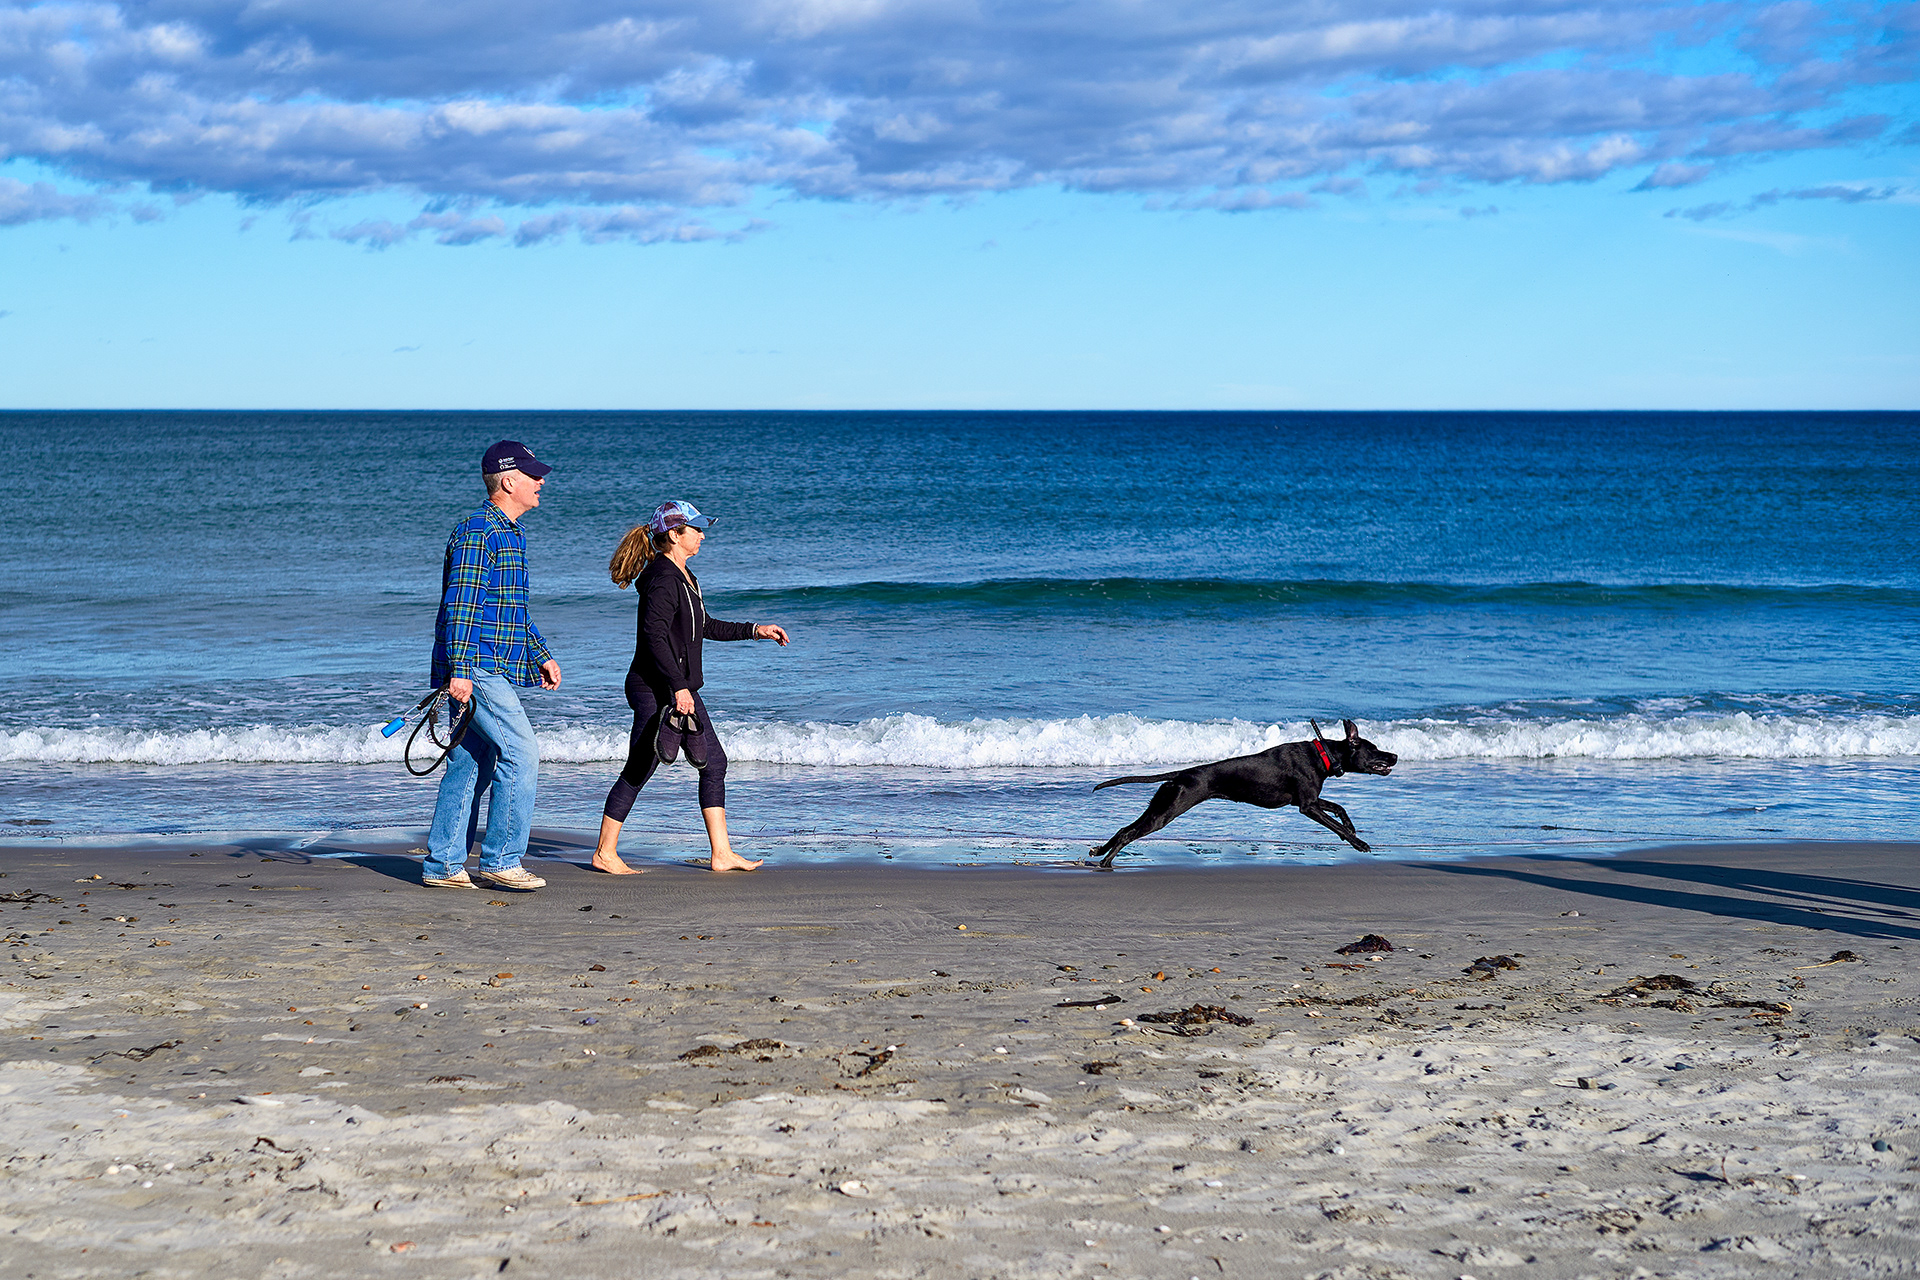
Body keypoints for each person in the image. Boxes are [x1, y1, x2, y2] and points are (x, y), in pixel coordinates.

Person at [592, 500, 788, 874]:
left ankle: (722, 854)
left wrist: (754, 631)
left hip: (675, 685)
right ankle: (604, 853)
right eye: (695, 529)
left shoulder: (683, 576)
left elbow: (704, 626)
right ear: (674, 534)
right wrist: (680, 688)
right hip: (655, 688)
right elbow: (654, 638)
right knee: (640, 766)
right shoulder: (664, 579)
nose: (701, 535)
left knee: (714, 764)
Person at [420, 440, 563, 891]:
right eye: (532, 475)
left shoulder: (509, 533)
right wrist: (459, 669)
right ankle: (501, 859)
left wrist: (539, 652)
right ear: (507, 480)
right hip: (476, 667)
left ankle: (443, 865)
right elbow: (461, 605)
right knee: (522, 754)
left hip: (488, 663)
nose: (541, 482)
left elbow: (508, 608)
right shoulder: (479, 531)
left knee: (470, 761)